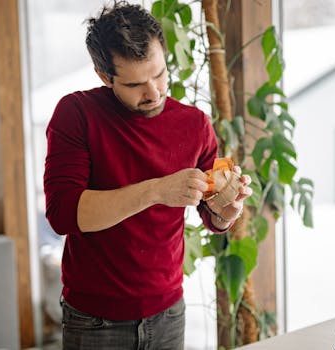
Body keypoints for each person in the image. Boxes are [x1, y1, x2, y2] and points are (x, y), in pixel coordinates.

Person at [43, 1, 252, 349]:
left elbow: (210, 211)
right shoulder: (76, 114)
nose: (153, 93)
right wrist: (156, 190)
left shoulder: (194, 124)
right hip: (94, 319)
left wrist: (225, 211)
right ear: (103, 75)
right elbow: (64, 213)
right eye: (136, 84)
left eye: (159, 74)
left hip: (169, 313)